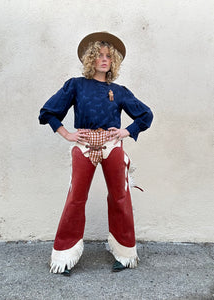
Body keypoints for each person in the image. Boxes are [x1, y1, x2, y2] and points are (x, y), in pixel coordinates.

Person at [39, 32, 153, 276]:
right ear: (90, 59)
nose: (104, 60)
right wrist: (67, 134)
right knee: (76, 198)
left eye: (108, 57)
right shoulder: (76, 85)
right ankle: (64, 256)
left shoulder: (119, 90)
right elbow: (48, 112)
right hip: (83, 146)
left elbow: (145, 115)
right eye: (99, 55)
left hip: (112, 146)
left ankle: (125, 253)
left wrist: (126, 131)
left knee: (120, 197)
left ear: (113, 62)